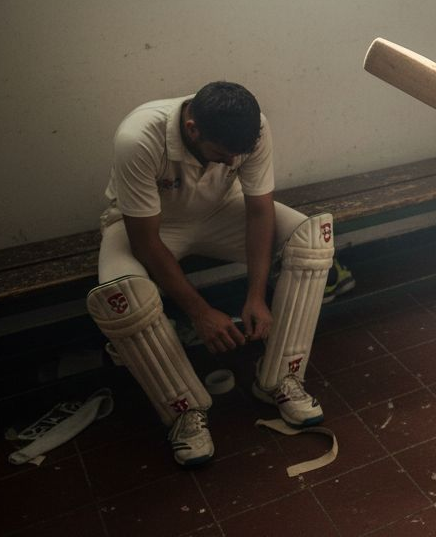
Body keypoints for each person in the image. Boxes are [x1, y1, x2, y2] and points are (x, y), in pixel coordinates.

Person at [87, 82, 345, 467]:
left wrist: (255, 295)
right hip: (150, 226)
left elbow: (259, 211)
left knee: (310, 240)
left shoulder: (252, 128)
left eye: (235, 157)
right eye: (222, 156)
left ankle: (280, 378)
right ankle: (183, 412)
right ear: (192, 129)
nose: (230, 163)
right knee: (121, 298)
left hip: (221, 213)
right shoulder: (138, 136)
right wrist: (200, 312)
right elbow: (145, 242)